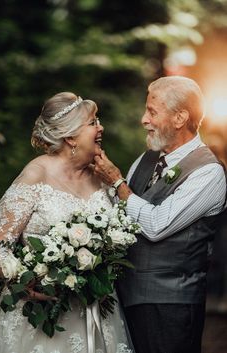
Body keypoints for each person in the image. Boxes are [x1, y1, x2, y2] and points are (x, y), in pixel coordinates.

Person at [0, 92, 133, 353]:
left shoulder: (101, 175)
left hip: (96, 309)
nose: (100, 127)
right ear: (70, 137)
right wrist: (23, 282)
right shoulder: (37, 173)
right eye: (92, 123)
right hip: (44, 313)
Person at [94, 76, 227, 353]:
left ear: (180, 118)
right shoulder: (147, 158)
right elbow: (121, 212)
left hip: (172, 306)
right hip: (126, 296)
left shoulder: (209, 172)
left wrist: (118, 182)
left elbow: (156, 224)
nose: (144, 119)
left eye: (152, 111)